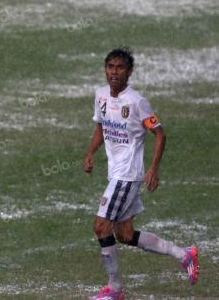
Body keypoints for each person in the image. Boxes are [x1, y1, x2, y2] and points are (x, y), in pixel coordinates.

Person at [84, 48, 200, 300]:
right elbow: (102, 126)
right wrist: (91, 152)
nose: (114, 72)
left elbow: (159, 133)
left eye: (120, 68)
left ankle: (115, 290)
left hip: (127, 174)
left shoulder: (136, 102)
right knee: (124, 234)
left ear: (129, 72)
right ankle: (184, 254)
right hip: (115, 172)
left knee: (101, 227)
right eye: (110, 67)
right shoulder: (101, 95)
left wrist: (153, 168)